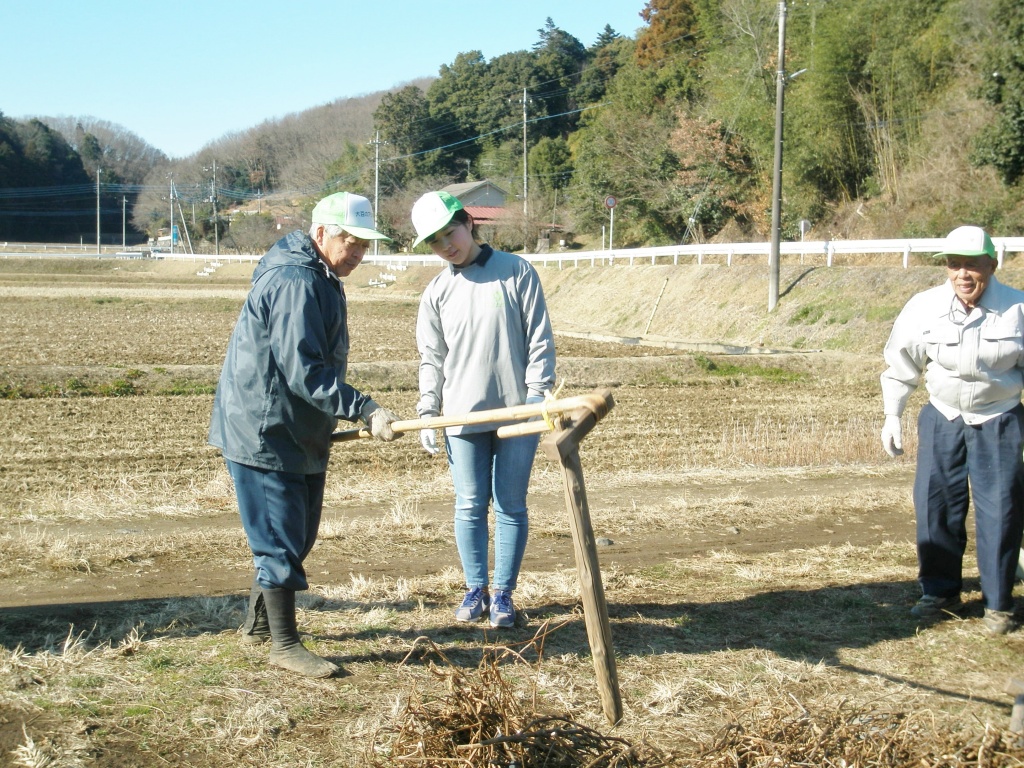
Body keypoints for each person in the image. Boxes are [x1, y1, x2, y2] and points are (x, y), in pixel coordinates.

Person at [209, 191, 403, 677]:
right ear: (321, 234)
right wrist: (364, 408)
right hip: (266, 428)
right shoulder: (298, 280)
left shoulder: (320, 274)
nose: (358, 252)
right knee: (278, 536)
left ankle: (259, 625)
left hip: (294, 427)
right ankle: (284, 644)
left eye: (364, 243)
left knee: (295, 533)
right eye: (350, 240)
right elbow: (305, 372)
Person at [411, 190, 556, 629]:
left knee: (510, 504)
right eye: (435, 241)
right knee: (470, 504)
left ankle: (504, 593)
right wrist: (427, 407)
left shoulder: (515, 272)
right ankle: (475, 588)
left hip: (517, 414)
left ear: (468, 223)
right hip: (461, 416)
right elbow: (431, 358)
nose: (446, 246)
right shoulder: (436, 292)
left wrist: (537, 395)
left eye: (450, 233)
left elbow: (539, 339)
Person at [880, 224, 1024, 636]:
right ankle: (939, 592)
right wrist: (893, 414)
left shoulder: (1017, 309)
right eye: (955, 265)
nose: (963, 274)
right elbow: (901, 363)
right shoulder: (923, 307)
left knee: (1002, 509)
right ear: (945, 267)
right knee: (936, 504)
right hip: (943, 416)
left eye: (973, 265)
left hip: (999, 417)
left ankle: (998, 603)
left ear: (992, 265)